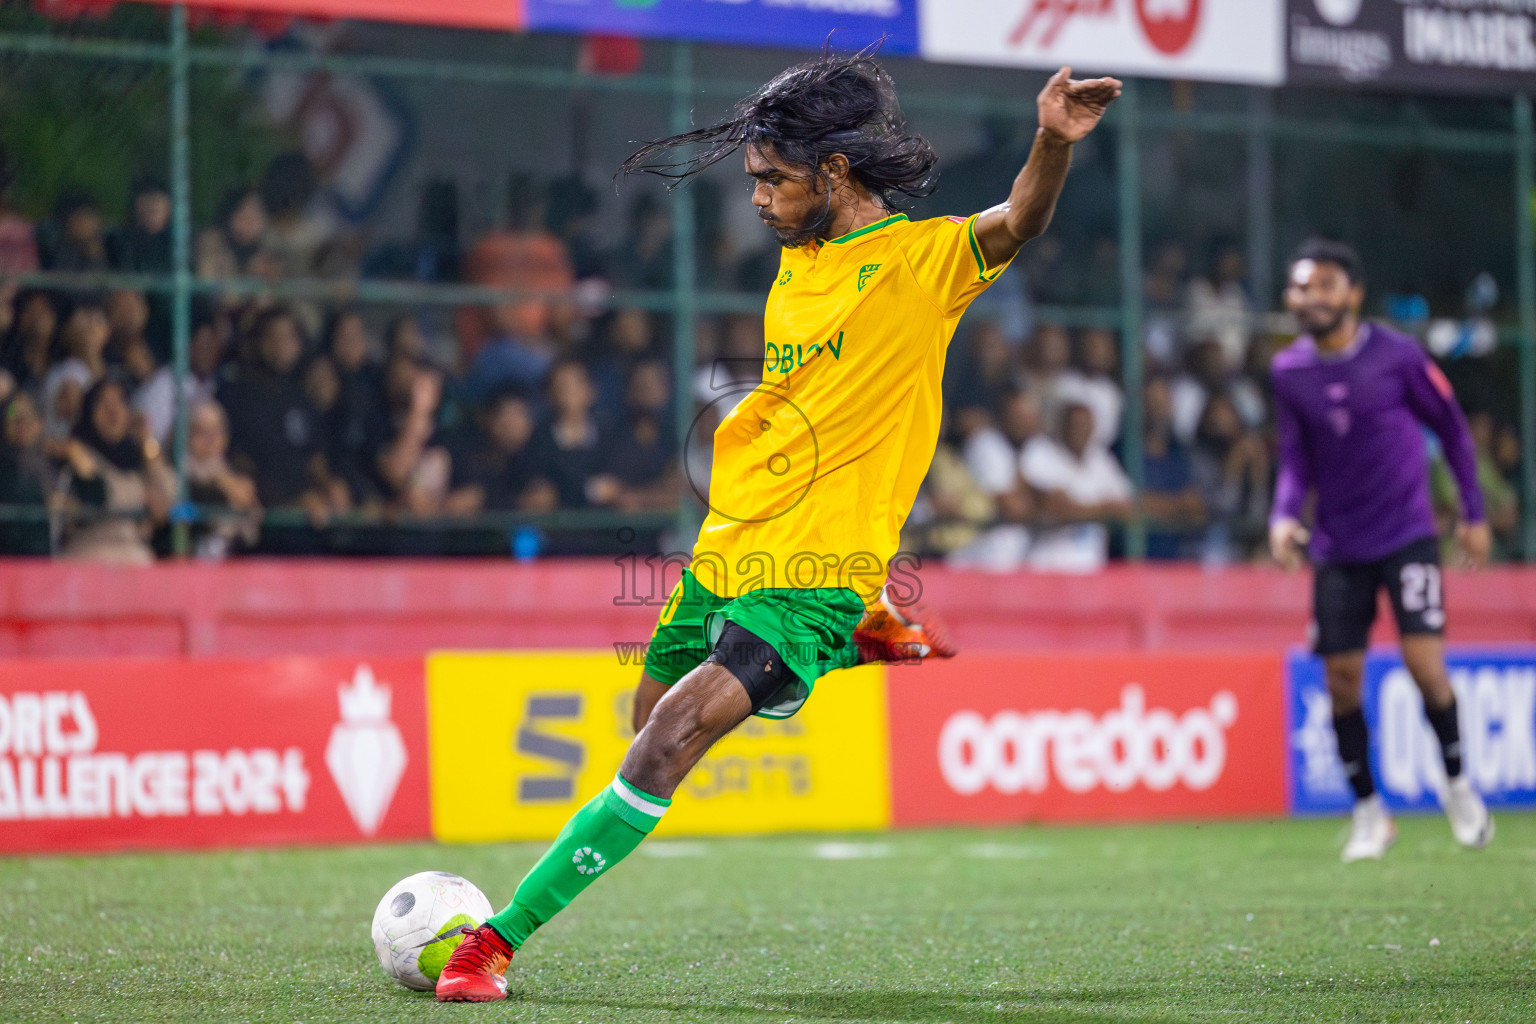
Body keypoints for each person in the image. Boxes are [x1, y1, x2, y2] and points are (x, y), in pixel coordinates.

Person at [433, 50, 1120, 1002]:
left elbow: (1018, 223)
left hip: (820, 563)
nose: (756, 199)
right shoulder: (798, 263)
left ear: (834, 174)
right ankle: (857, 640)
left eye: (772, 180)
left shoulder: (921, 262)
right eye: (753, 179)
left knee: (669, 737)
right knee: (649, 719)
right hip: (734, 533)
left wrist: (1050, 140)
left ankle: (493, 944)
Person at [1269, 238, 1493, 862]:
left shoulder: (1396, 356)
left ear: (1353, 293)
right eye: (1300, 287)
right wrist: (1284, 517)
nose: (1310, 297)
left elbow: (1451, 428)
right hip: (1339, 547)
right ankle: (1369, 811)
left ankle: (1457, 785)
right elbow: (1294, 457)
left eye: (1323, 285)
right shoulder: (1290, 372)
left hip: (1407, 536)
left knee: (1425, 666)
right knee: (1341, 679)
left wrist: (1473, 511)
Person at [1021, 401, 1134, 572]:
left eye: (1085, 425)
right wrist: (1103, 508)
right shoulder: (1041, 452)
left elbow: (1127, 507)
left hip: (1091, 568)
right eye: (1075, 425)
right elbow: (1054, 508)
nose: (1080, 431)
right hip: (1047, 567)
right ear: (1063, 426)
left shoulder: (1100, 460)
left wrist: (1081, 509)